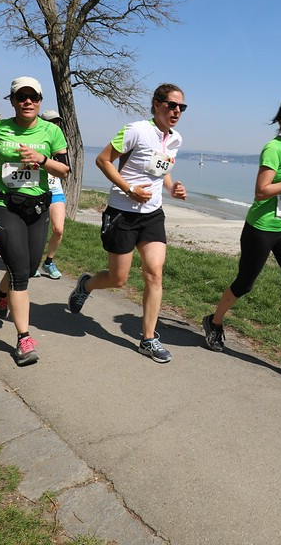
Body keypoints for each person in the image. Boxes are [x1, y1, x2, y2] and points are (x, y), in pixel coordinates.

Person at [201, 95, 281, 376]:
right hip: (260, 229)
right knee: (244, 284)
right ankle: (214, 322)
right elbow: (261, 191)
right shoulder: (273, 148)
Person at [67, 83, 188, 364]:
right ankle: (86, 286)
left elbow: (164, 169)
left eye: (182, 107)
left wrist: (172, 189)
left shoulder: (175, 139)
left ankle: (148, 339)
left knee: (154, 273)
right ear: (157, 105)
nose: (177, 111)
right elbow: (103, 160)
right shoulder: (136, 130)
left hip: (153, 215)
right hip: (123, 213)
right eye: (172, 105)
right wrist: (129, 188)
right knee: (118, 279)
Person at [0, 77, 69, 366]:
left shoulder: (52, 131)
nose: (27, 102)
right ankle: (24, 340)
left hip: (37, 208)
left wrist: (41, 159)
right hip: (5, 206)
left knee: (28, 268)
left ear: (40, 101)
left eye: (33, 97)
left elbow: (64, 169)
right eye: (21, 97)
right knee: (20, 274)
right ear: (13, 100)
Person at [35, 109, 67, 279]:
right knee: (36, 232)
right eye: (50, 122)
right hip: (36, 192)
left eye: (57, 122)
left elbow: (66, 169)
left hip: (55, 192)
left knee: (59, 230)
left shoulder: (59, 145)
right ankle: (32, 262)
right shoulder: (36, 143)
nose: (55, 125)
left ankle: (48, 262)